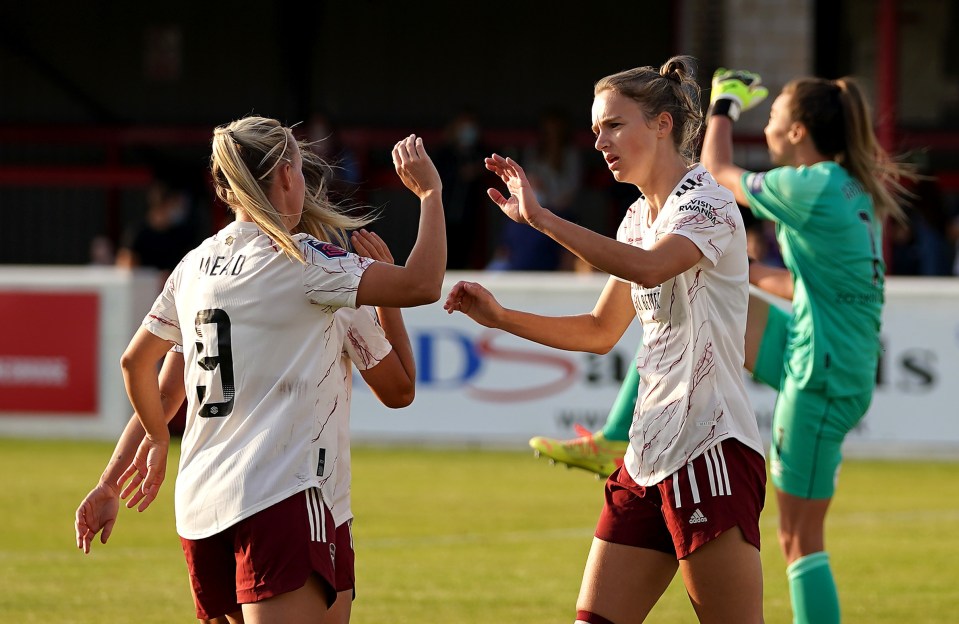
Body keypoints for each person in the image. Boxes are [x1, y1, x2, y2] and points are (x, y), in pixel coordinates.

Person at [85, 116, 445, 624]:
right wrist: (430, 193)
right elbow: (417, 310)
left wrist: (114, 477)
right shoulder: (314, 268)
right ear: (285, 176)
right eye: (301, 167)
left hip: (202, 506)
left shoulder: (194, 268)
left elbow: (147, 376)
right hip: (285, 497)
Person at [445, 56, 766, 623]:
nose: (600, 141)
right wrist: (501, 318)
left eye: (614, 125)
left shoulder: (710, 202)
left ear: (663, 124)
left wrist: (542, 219)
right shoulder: (637, 218)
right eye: (595, 130)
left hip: (709, 448)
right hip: (644, 456)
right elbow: (598, 331)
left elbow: (649, 269)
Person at [74, 229, 414, 624]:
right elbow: (399, 390)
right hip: (293, 492)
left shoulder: (202, 270)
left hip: (205, 497)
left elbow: (164, 395)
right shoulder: (323, 279)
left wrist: (109, 481)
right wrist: (389, 295)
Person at [699, 68, 913, 624]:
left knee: (799, 539)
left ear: (796, 132)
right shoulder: (845, 189)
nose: (766, 125)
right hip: (826, 362)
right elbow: (807, 285)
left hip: (821, 378)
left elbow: (716, 173)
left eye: (773, 117)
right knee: (705, 302)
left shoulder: (812, 184)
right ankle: (619, 433)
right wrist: (742, 269)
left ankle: (621, 434)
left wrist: (722, 104)